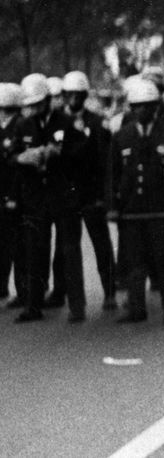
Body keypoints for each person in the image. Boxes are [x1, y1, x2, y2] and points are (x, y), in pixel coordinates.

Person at [111, 78, 164, 325]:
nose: (141, 111)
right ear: (131, 109)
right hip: (133, 210)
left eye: (147, 106)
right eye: (137, 106)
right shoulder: (122, 137)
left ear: (156, 107)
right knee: (135, 262)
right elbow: (111, 174)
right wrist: (112, 206)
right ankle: (136, 308)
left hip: (160, 209)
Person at [13, 73, 85, 323]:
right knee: (35, 252)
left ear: (46, 100)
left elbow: (81, 154)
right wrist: (21, 158)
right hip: (35, 199)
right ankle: (33, 305)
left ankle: (77, 307)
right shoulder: (22, 126)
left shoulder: (66, 122)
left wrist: (58, 153)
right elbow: (11, 155)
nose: (32, 108)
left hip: (63, 196)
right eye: (29, 104)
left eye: (36, 103)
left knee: (69, 252)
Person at [60, 70, 117, 312]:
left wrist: (103, 197)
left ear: (84, 95)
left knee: (102, 246)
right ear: (64, 95)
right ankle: (76, 304)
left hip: (91, 195)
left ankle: (110, 294)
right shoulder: (56, 122)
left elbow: (105, 162)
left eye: (78, 94)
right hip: (67, 196)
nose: (74, 99)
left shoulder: (97, 122)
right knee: (70, 252)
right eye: (69, 94)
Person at [0, 83, 23, 305]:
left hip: (13, 191)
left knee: (16, 244)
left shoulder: (19, 126)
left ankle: (22, 290)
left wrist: (14, 196)